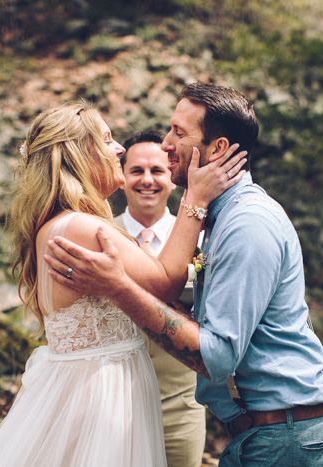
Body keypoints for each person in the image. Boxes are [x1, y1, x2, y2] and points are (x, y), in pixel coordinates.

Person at [45, 83, 323, 466]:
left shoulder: (247, 224)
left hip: (287, 438)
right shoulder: (217, 220)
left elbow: (217, 357)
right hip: (260, 433)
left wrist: (118, 287)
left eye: (178, 133)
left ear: (217, 149)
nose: (166, 143)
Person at [0, 101, 247, 467]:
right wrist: (195, 197)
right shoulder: (83, 227)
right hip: (100, 395)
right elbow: (164, 284)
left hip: (94, 386)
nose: (118, 149)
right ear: (80, 153)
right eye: (108, 139)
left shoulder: (63, 222)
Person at [114, 130, 206, 467]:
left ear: (173, 178)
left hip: (180, 405)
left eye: (157, 170)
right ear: (122, 178)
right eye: (137, 170)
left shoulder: (201, 239)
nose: (147, 180)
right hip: (113, 406)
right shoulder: (98, 234)